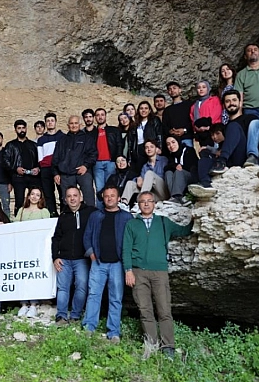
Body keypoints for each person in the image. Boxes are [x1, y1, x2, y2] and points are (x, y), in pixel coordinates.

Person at [123, 191, 193, 358]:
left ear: (154, 204)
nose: (146, 204)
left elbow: (184, 231)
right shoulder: (132, 224)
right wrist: (128, 271)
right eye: (142, 201)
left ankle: (168, 346)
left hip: (160, 272)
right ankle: (151, 344)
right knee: (145, 309)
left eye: (149, 201)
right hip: (138, 272)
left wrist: (196, 216)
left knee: (164, 309)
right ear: (138, 205)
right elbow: (125, 249)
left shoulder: (163, 222)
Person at [82, 186, 133, 343]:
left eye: (113, 196)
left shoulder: (126, 217)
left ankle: (113, 332)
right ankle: (89, 327)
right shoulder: (96, 216)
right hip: (98, 262)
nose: (109, 198)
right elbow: (87, 236)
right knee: (93, 295)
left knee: (116, 298)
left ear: (119, 198)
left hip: (117, 264)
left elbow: (131, 240)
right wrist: (91, 254)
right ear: (102, 198)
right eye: (106, 196)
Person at [189, 89, 254, 198]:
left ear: (240, 102)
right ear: (223, 106)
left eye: (234, 100)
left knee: (233, 126)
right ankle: (206, 185)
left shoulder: (249, 119)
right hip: (226, 157)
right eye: (227, 101)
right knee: (199, 163)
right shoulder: (225, 125)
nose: (231, 103)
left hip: (239, 155)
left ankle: (221, 162)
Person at [51, 187, 95, 325]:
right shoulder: (63, 216)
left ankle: (75, 315)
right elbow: (56, 237)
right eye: (69, 196)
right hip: (64, 258)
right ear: (65, 199)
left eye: (75, 195)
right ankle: (61, 316)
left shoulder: (91, 213)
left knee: (82, 286)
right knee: (63, 287)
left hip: (82, 258)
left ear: (81, 197)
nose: (72, 198)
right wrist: (55, 257)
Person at [52, 115, 97, 209]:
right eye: (71, 123)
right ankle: (68, 218)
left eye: (76, 123)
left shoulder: (87, 138)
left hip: (83, 172)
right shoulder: (62, 140)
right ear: (68, 125)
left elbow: (93, 154)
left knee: (88, 197)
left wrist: (85, 166)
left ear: (80, 124)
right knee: (67, 199)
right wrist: (56, 173)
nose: (74, 125)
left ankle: (90, 215)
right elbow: (55, 158)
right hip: (66, 173)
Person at [3, 120, 41, 215]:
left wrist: (38, 168)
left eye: (23, 128)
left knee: (36, 200)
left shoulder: (33, 145)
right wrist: (16, 168)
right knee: (19, 202)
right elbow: (5, 161)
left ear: (26, 129)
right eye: (19, 128)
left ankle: (35, 218)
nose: (21, 130)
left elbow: (40, 159)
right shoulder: (10, 145)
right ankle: (19, 221)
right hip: (18, 178)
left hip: (33, 177)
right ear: (15, 130)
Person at [121, 140, 169, 204]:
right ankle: (124, 204)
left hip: (163, 192)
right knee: (130, 183)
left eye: (151, 147)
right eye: (146, 147)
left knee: (149, 174)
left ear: (156, 149)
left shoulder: (163, 160)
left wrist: (148, 180)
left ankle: (141, 202)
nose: (149, 149)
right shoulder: (145, 166)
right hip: (153, 195)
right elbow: (141, 182)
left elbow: (165, 178)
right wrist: (138, 179)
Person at [37, 113, 65, 216]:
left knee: (62, 191)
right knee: (48, 193)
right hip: (46, 168)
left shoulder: (63, 137)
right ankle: (52, 213)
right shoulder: (41, 140)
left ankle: (64, 212)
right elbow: (40, 157)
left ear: (55, 122)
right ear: (45, 123)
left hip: (60, 168)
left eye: (52, 120)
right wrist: (43, 166)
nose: (50, 123)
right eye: (48, 121)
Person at [92, 108, 123, 203]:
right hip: (97, 164)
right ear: (95, 118)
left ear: (105, 116)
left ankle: (111, 211)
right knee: (100, 190)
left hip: (110, 162)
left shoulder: (114, 130)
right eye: (98, 115)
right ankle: (101, 214)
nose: (100, 117)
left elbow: (119, 144)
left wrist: (118, 159)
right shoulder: (92, 133)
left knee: (111, 189)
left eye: (102, 114)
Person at [126, 101, 163, 174]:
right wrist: (129, 158)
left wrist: (159, 147)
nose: (143, 110)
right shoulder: (134, 124)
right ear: (138, 110)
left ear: (149, 110)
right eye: (141, 108)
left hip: (151, 148)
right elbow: (130, 142)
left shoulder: (154, 120)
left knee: (151, 170)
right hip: (138, 150)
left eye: (146, 108)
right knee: (140, 172)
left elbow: (159, 134)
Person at [163, 136, 198, 205]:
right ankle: (175, 197)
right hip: (178, 181)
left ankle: (177, 196)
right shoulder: (171, 156)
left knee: (178, 171)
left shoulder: (189, 150)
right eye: (168, 144)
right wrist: (175, 165)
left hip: (190, 178)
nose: (171, 146)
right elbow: (166, 168)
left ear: (178, 142)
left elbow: (192, 166)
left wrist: (179, 167)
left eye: (173, 142)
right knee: (168, 173)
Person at [190, 80, 223, 151]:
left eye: (204, 87)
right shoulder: (194, 106)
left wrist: (208, 127)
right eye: (199, 88)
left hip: (213, 131)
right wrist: (197, 128)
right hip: (200, 134)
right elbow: (192, 119)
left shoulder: (214, 100)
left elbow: (216, 113)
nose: (201, 89)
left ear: (208, 89)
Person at [161, 81, 193, 148]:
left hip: (186, 138)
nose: (172, 90)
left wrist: (184, 130)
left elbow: (193, 121)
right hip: (173, 140)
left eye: (174, 88)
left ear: (180, 90)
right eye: (170, 89)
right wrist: (170, 132)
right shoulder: (167, 110)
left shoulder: (189, 105)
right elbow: (164, 126)